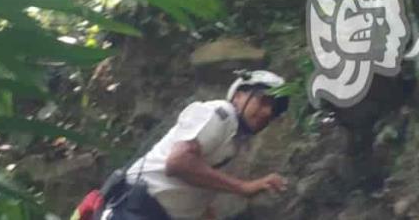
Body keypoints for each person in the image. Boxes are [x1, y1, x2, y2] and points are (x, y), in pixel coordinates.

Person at [81, 70, 289, 220]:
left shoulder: (235, 139)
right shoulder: (220, 114)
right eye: (263, 101)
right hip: (137, 210)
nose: (267, 113)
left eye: (274, 111)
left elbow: (196, 190)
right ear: (238, 96)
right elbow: (178, 163)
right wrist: (243, 187)